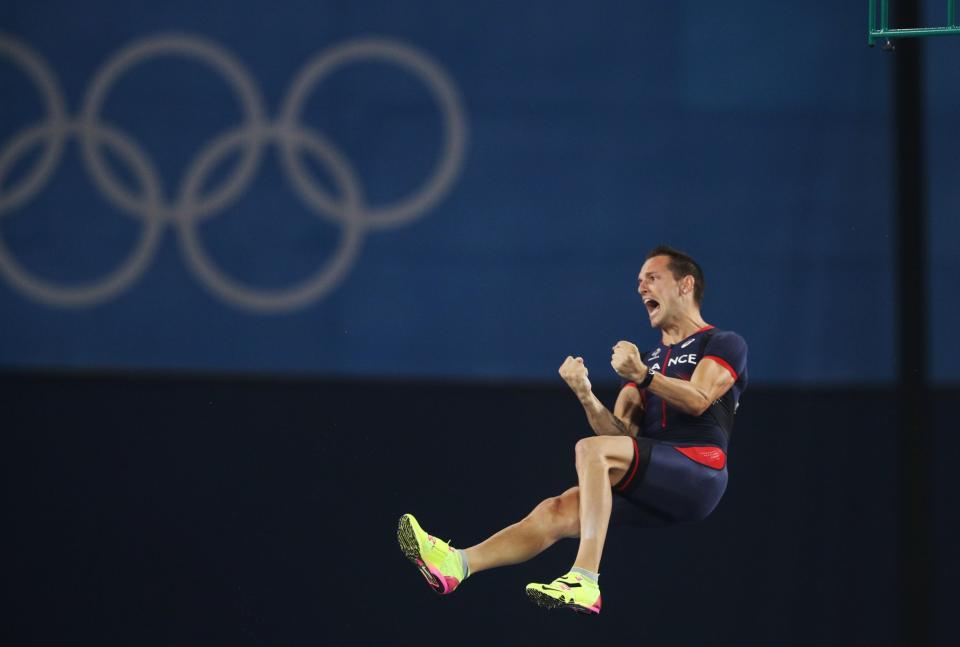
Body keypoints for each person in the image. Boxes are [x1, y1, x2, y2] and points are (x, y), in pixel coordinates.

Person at [397, 245, 748, 614]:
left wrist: (645, 377)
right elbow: (622, 437)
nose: (641, 288)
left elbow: (698, 399)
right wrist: (586, 395)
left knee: (590, 450)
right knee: (557, 509)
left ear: (685, 285)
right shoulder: (645, 359)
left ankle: (585, 577)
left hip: (701, 470)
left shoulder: (722, 342)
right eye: (638, 282)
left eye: (652, 278)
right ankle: (459, 563)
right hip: (660, 480)